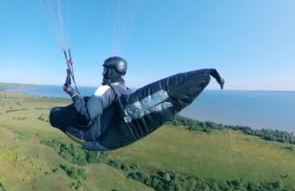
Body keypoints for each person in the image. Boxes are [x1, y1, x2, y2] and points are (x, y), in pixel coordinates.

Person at [49, 56, 225, 151]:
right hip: (110, 139)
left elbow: (86, 116)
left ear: (111, 70)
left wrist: (72, 93)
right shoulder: (125, 90)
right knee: (82, 102)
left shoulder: (105, 90)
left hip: (92, 136)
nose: (103, 73)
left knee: (54, 113)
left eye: (105, 69)